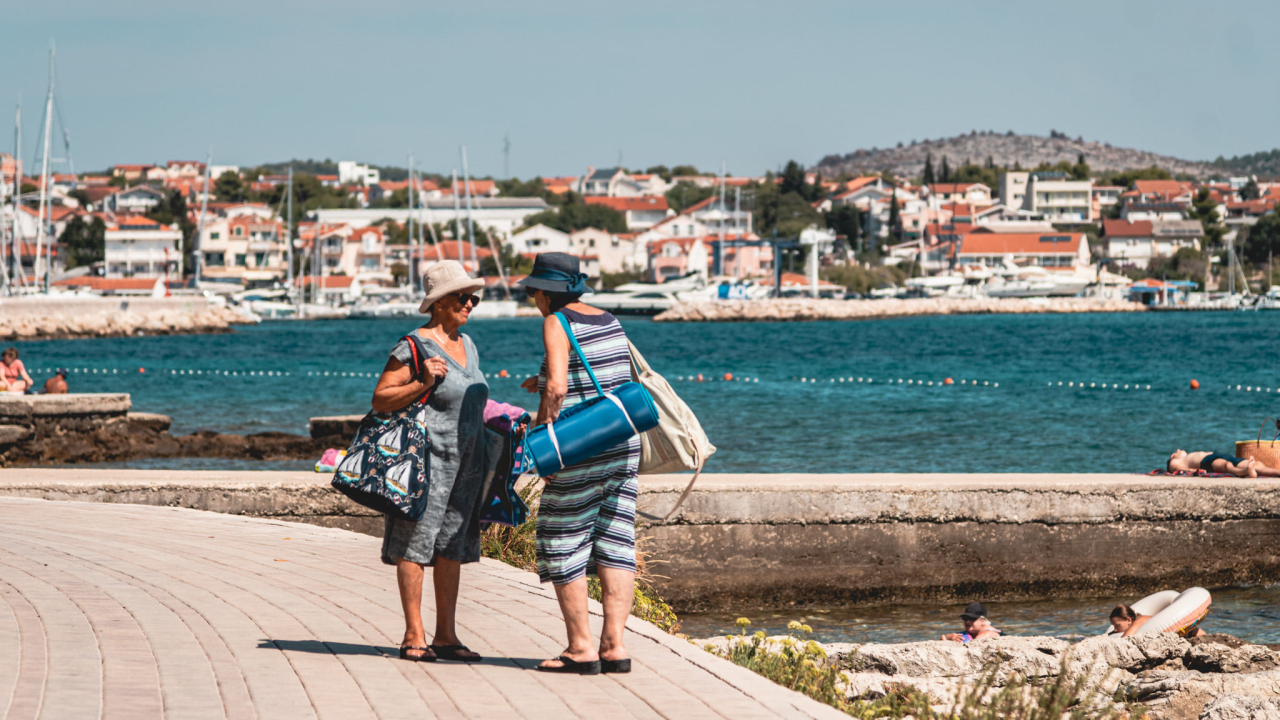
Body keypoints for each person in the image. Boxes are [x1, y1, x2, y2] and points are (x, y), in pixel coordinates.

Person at [519, 252, 640, 676]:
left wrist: (541, 441)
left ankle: (581, 647)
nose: (533, 298)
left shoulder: (555, 321)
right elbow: (608, 377)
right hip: (623, 441)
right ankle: (615, 647)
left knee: (561, 535)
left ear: (546, 291)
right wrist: (546, 380)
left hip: (581, 448)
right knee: (615, 540)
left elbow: (556, 388)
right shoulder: (609, 319)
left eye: (533, 290)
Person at [371, 260, 489, 664]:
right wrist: (423, 382)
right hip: (424, 465)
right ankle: (413, 634)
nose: (470, 303)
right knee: (414, 546)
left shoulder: (468, 345)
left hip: (467, 466)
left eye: (473, 297)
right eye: (462, 296)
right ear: (439, 302)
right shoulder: (413, 346)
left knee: (452, 548)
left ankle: (446, 635)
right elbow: (381, 398)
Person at [1166, 449, 1280, 478]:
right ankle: (1245, 471)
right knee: (1226, 466)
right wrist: (1195, 471)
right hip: (1207, 461)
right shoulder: (1175, 460)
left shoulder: (1186, 455)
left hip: (1221, 456)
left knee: (1258, 465)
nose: (1177, 450)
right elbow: (1176, 468)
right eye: (1174, 453)